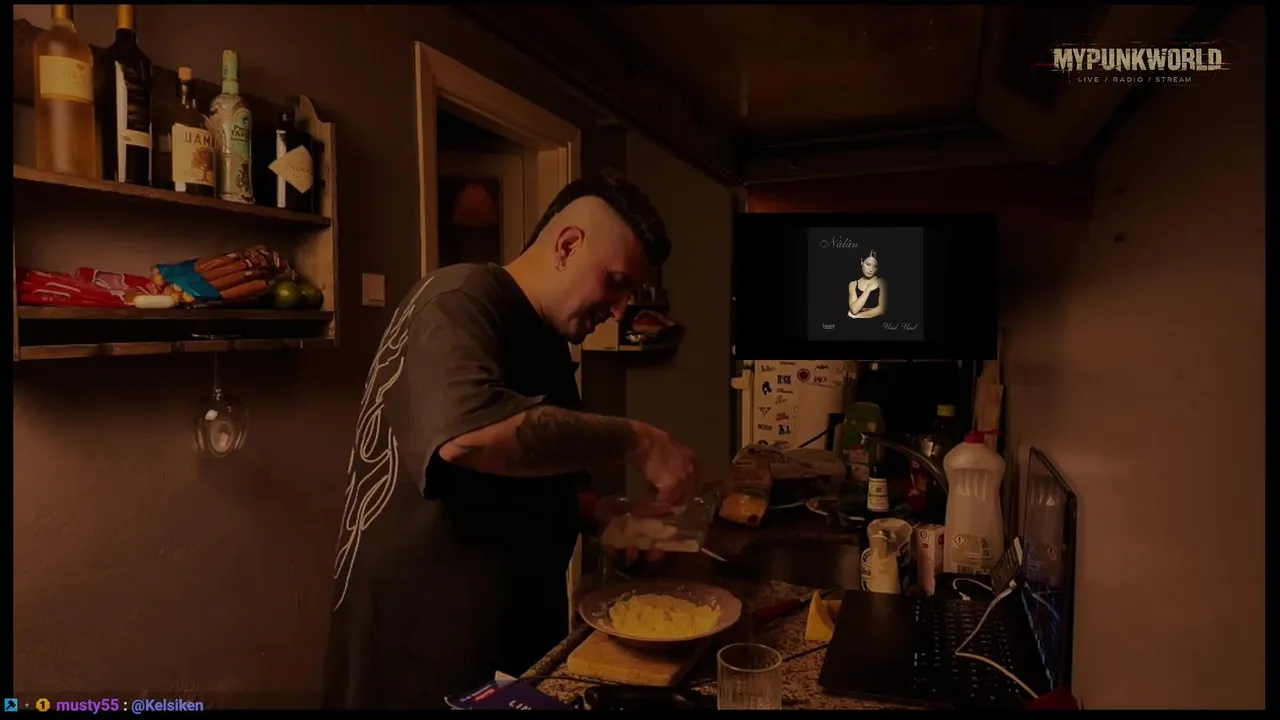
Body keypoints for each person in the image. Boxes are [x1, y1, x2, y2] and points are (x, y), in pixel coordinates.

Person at [321, 172, 700, 709]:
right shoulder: (459, 298)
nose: (621, 309)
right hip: (418, 654)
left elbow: (539, 474)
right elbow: (465, 438)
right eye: (616, 282)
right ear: (567, 246)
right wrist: (639, 441)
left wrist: (608, 516)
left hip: (508, 647)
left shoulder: (548, 342)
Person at [847, 250, 887, 319]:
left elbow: (882, 310)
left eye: (875, 266)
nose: (871, 269)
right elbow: (854, 310)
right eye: (868, 264)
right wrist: (869, 288)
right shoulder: (853, 284)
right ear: (862, 262)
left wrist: (856, 316)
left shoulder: (882, 282)